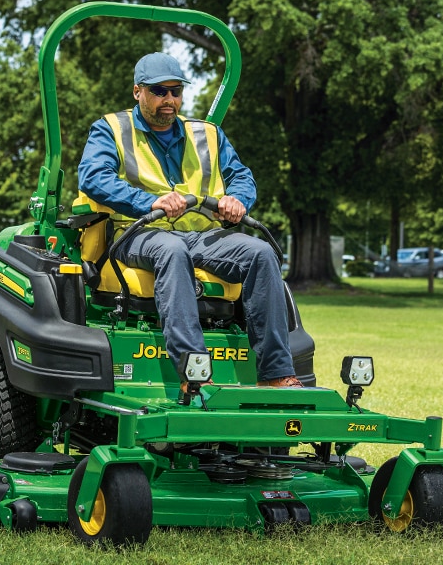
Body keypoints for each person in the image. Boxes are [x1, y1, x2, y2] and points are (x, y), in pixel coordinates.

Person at [77, 52, 301, 388]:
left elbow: (240, 175)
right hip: (138, 233)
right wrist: (150, 201)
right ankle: (193, 371)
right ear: (137, 91)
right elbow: (93, 177)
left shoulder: (207, 134)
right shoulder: (111, 129)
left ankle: (276, 373)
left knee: (261, 252)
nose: (169, 100)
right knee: (171, 251)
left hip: (202, 236)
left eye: (176, 91)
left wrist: (237, 200)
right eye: (159, 91)